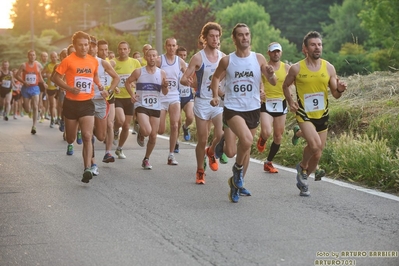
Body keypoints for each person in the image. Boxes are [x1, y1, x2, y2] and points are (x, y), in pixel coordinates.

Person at [210, 23, 277, 203]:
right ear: (234, 39)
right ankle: (237, 170)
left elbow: (272, 81)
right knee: (241, 145)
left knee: (245, 149)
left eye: (247, 34)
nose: (244, 38)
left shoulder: (259, 58)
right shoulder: (227, 60)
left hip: (253, 108)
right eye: (240, 35)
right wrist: (215, 95)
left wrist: (270, 74)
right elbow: (216, 78)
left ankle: (236, 184)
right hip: (233, 108)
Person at [282, 31, 347, 196]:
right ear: (305, 48)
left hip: (322, 115)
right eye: (313, 45)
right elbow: (285, 86)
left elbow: (336, 94)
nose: (317, 47)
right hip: (304, 114)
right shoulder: (297, 68)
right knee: (315, 145)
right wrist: (290, 102)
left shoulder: (329, 67)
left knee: (317, 154)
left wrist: (340, 90)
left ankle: (304, 179)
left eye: (319, 44)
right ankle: (303, 167)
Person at [52, 31, 102, 183]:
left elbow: (94, 75)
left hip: (87, 103)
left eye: (86, 45)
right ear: (74, 46)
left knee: (87, 136)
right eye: (80, 45)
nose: (84, 48)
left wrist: (100, 85)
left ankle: (87, 168)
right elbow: (55, 77)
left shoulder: (93, 61)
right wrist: (69, 88)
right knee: (70, 138)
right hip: (71, 104)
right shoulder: (68, 60)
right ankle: (70, 136)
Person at [180, 22, 225, 184]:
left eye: (217, 36)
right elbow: (184, 78)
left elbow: (227, 78)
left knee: (220, 135)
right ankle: (200, 170)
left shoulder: (223, 57)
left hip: (217, 101)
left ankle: (211, 152)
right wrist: (189, 82)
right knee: (203, 138)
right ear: (204, 38)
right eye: (212, 36)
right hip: (202, 102)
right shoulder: (198, 57)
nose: (215, 39)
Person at [125, 48, 169, 169]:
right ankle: (141, 131)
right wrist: (131, 94)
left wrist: (165, 86)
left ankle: (146, 159)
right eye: (149, 56)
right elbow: (127, 82)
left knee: (153, 136)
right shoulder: (139, 72)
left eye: (154, 56)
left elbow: (165, 92)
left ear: (157, 58)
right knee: (147, 131)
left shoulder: (162, 73)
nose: (152, 58)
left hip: (155, 106)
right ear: (145, 57)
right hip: (141, 105)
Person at [256, 42, 291, 173]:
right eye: (273, 51)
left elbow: (289, 83)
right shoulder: (264, 67)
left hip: (281, 102)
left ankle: (268, 162)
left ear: (281, 52)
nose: (276, 54)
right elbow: (260, 81)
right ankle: (262, 138)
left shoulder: (286, 67)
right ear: (268, 53)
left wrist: (291, 96)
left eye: (278, 51)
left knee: (278, 136)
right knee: (266, 132)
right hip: (266, 102)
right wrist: (261, 91)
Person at [88, 36, 120, 174]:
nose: (93, 48)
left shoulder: (103, 63)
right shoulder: (80, 61)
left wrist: (110, 90)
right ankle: (92, 163)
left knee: (101, 135)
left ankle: (95, 135)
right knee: (87, 133)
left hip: (101, 100)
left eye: (95, 46)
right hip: (86, 101)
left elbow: (117, 78)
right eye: (91, 46)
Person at [156, 37, 187, 165]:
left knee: (175, 125)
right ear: (165, 46)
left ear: (176, 46)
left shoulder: (180, 61)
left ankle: (171, 155)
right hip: (161, 97)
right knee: (161, 130)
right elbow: (150, 73)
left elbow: (188, 74)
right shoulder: (159, 60)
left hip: (174, 96)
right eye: (169, 45)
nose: (171, 48)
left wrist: (189, 80)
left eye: (174, 46)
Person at [113, 41, 142, 159]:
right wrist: (114, 87)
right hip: (117, 97)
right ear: (118, 50)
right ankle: (115, 130)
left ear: (129, 50)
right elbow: (109, 79)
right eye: (120, 49)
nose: (122, 51)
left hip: (130, 97)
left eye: (125, 49)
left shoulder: (135, 62)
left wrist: (135, 83)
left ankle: (119, 148)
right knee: (120, 120)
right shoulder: (113, 62)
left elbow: (140, 77)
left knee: (126, 126)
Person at [97, 39, 120, 163]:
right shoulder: (94, 63)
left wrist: (112, 89)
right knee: (99, 133)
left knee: (110, 124)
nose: (104, 52)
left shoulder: (110, 63)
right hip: (95, 99)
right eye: (102, 50)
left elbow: (113, 78)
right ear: (96, 50)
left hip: (109, 97)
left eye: (106, 49)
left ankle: (108, 153)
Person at [16, 50, 47, 134]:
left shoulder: (38, 65)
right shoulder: (23, 65)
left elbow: (40, 76)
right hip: (26, 88)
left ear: (35, 56)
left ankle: (34, 126)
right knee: (27, 110)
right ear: (28, 56)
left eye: (33, 55)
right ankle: (26, 107)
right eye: (30, 55)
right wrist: (24, 82)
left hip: (35, 88)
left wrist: (44, 83)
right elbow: (17, 75)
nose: (32, 57)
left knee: (36, 106)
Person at [176, 46, 194, 142]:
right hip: (176, 97)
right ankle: (176, 142)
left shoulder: (189, 66)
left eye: (184, 55)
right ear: (176, 56)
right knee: (177, 122)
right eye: (180, 55)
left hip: (187, 96)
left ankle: (186, 127)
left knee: (190, 117)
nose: (182, 57)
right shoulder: (173, 67)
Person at [42, 51, 59, 128]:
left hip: (58, 87)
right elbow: (41, 74)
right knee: (52, 104)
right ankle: (52, 119)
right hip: (50, 87)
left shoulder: (60, 64)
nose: (54, 58)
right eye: (52, 57)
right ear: (50, 58)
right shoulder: (48, 65)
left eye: (55, 57)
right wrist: (46, 75)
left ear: (57, 57)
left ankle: (58, 118)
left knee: (59, 105)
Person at [39, 51, 49, 122]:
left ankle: (46, 113)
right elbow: (38, 74)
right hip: (40, 84)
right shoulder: (39, 65)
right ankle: (41, 115)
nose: (45, 57)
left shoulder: (49, 64)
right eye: (43, 56)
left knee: (47, 100)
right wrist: (44, 75)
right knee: (40, 100)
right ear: (41, 57)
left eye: (46, 56)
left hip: (48, 84)